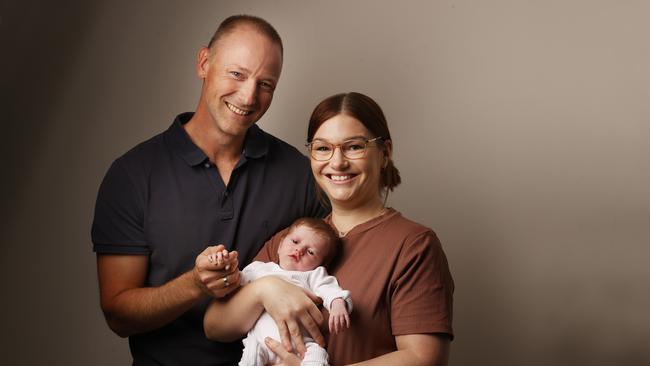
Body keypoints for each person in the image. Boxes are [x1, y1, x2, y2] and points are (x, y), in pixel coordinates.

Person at [91, 15, 326, 365]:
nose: (248, 97)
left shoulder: (298, 173)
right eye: (237, 74)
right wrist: (195, 285)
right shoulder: (133, 174)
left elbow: (340, 269)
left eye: (266, 84)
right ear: (204, 63)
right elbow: (118, 314)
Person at [204, 92, 454, 365]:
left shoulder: (413, 245)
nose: (337, 163)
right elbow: (216, 326)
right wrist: (265, 289)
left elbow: (424, 358)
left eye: (354, 146)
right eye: (323, 148)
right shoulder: (293, 238)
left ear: (385, 153)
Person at [210, 217, 352, 366]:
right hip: (261, 343)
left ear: (321, 264)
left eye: (310, 252)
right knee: (250, 356)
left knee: (318, 354)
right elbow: (235, 280)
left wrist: (337, 304)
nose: (299, 250)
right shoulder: (260, 269)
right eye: (295, 242)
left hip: (303, 346)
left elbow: (329, 288)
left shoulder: (313, 275)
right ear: (280, 246)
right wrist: (224, 264)